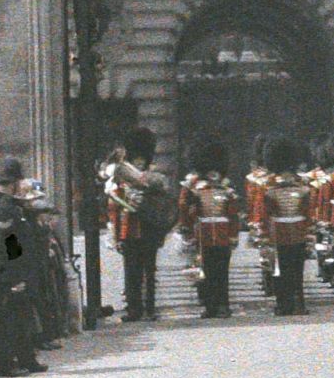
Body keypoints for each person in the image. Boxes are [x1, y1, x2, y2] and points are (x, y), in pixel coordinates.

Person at [0, 158, 51, 377]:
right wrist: (16, 276)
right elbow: (10, 244)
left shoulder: (9, 204)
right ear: (13, 182)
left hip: (14, 270)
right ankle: (6, 364)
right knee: (9, 319)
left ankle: (26, 358)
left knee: (22, 316)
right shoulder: (2, 207)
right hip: (7, 273)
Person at [107, 127, 168, 322]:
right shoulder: (122, 181)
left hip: (149, 231)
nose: (140, 163)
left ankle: (150, 308)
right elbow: (115, 210)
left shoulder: (154, 182)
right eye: (137, 160)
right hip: (130, 231)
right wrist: (116, 236)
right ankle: (134, 309)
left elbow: (162, 207)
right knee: (132, 273)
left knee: (150, 273)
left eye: (142, 160)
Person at [178, 140, 244, 319]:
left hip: (222, 236)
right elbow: (184, 208)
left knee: (222, 273)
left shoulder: (227, 190)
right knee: (205, 273)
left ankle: (223, 305)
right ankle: (210, 305)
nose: (214, 174)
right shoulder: (196, 190)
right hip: (204, 236)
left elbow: (233, 215)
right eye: (210, 170)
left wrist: (233, 236)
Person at [260, 136, 315, 317]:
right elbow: (266, 216)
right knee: (281, 272)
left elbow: (307, 215)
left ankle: (298, 304)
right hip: (280, 235)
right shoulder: (271, 192)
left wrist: (309, 234)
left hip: (298, 234)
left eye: (288, 173)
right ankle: (283, 304)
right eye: (282, 173)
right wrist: (266, 237)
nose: (285, 176)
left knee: (297, 272)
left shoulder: (303, 190)